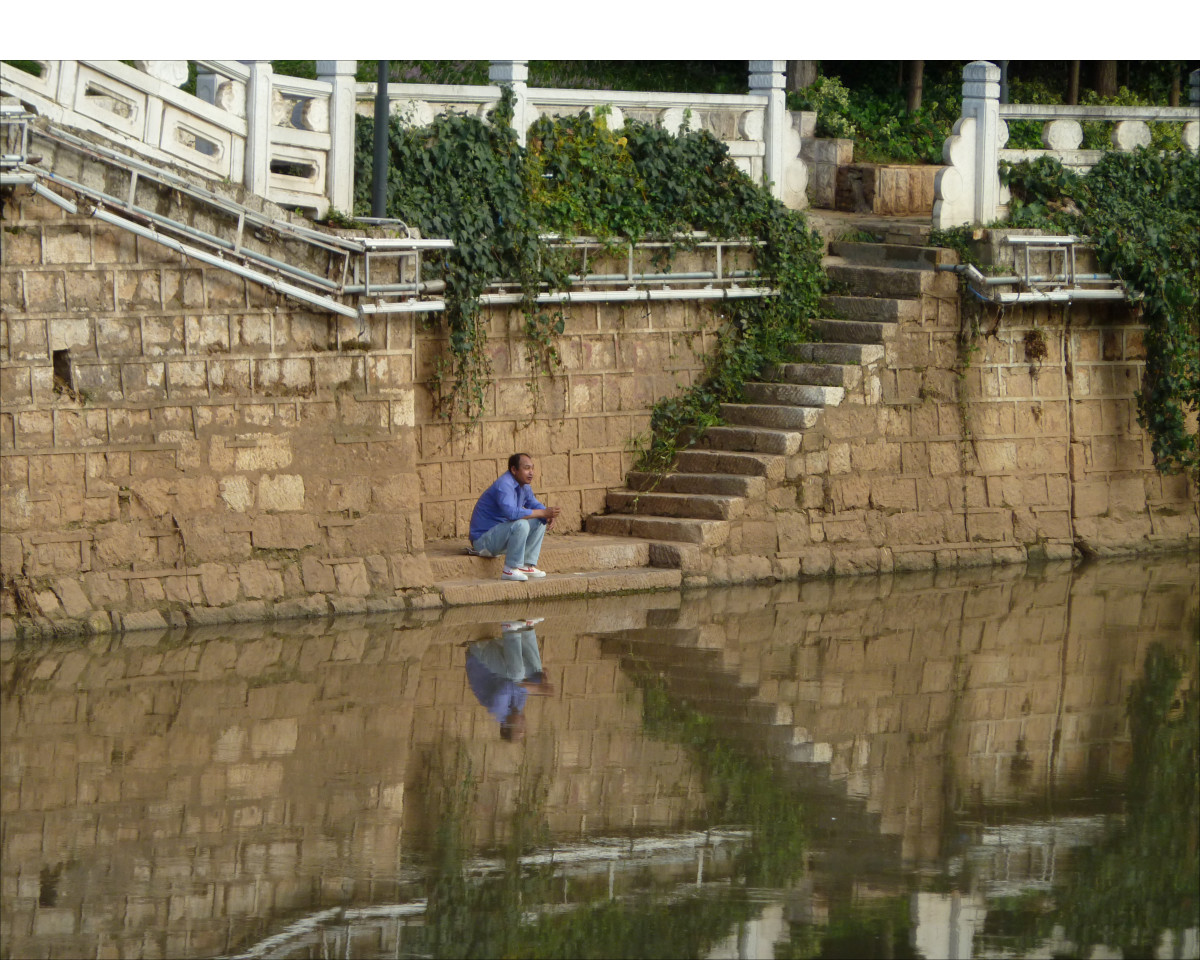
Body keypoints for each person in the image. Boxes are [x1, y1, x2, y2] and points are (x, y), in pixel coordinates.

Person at [468, 453, 561, 582]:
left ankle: (526, 565)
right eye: (527, 468)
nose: (531, 472)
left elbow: (534, 504)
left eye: (532, 468)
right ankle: (510, 569)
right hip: (483, 541)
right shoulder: (504, 485)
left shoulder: (525, 486)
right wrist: (543, 512)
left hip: (500, 536)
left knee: (540, 520)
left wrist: (547, 514)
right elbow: (511, 513)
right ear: (513, 469)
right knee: (521, 524)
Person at [464, 620, 553, 741]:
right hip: (496, 655)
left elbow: (508, 685)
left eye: (519, 728)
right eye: (524, 728)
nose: (523, 724)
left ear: (506, 725)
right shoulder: (518, 707)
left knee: (516, 675)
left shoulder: (497, 708)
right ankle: (527, 627)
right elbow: (525, 685)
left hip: (479, 653)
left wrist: (536, 688)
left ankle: (509, 628)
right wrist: (540, 679)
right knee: (535, 671)